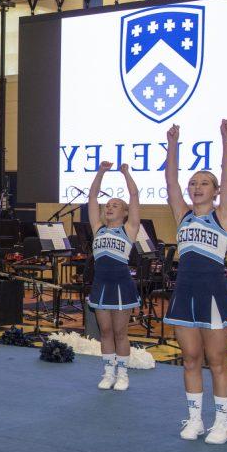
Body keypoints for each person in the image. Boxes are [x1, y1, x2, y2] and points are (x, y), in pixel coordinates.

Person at [163, 121, 227, 445]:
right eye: (193, 183)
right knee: (191, 359)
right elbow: (170, 181)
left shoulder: (222, 216)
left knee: (217, 361)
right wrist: (172, 145)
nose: (197, 187)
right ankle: (195, 419)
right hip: (185, 294)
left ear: (215, 191)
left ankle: (221, 424)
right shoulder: (182, 214)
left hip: (214, 296)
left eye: (204, 183)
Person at [87, 161, 141, 391]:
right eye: (108, 205)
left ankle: (123, 375)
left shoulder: (129, 229)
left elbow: (135, 195)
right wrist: (100, 173)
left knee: (120, 332)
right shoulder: (97, 227)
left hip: (121, 286)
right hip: (100, 285)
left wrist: (126, 173)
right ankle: (108, 373)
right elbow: (91, 197)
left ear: (125, 212)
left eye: (116, 205)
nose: (109, 208)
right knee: (105, 331)